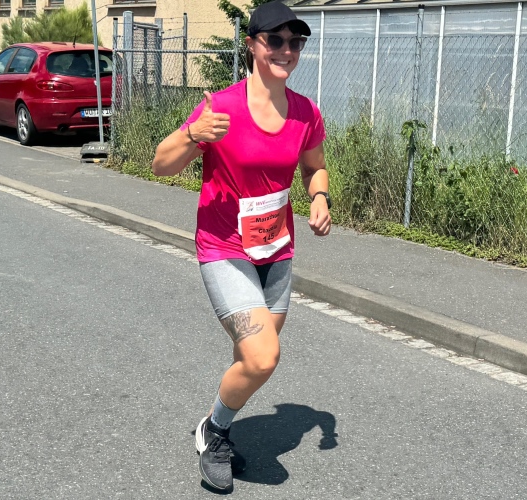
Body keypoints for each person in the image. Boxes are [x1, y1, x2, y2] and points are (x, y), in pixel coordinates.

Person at [151, 1, 331, 492]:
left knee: (248, 358)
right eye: (276, 40)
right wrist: (193, 134)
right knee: (263, 357)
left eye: (296, 42)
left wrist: (319, 197)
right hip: (224, 247)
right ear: (252, 45)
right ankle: (214, 434)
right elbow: (160, 164)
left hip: (277, 250)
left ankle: (218, 428)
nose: (287, 50)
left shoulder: (305, 112)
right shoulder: (222, 108)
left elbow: (314, 166)